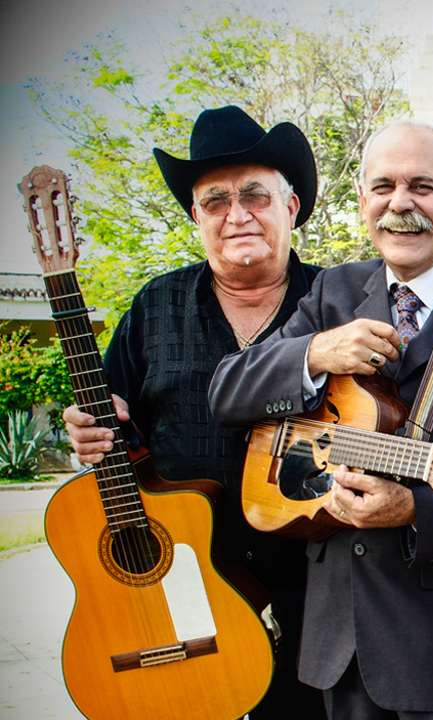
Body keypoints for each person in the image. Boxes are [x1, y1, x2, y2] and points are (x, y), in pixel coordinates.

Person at [207, 119, 433, 720]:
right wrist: (314, 352)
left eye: (422, 186)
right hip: (340, 643)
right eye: (382, 187)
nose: (399, 204)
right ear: (363, 202)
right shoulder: (333, 294)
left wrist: (415, 510)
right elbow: (228, 392)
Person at [62, 105, 325, 716]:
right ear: (195, 217)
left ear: (290, 208)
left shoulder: (338, 300)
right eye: (215, 201)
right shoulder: (155, 306)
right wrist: (93, 432)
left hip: (313, 580)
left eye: (255, 195)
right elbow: (114, 424)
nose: (237, 215)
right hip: (186, 584)